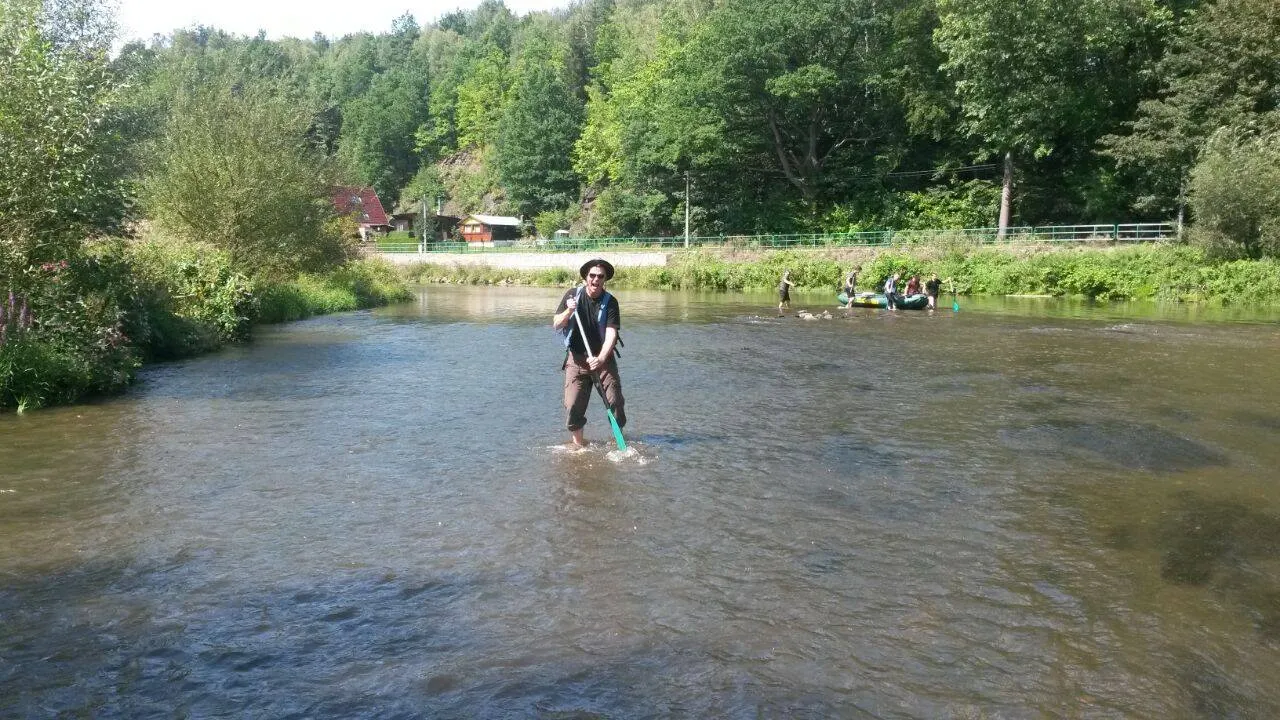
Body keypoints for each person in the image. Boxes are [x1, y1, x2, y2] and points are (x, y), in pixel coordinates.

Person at [552, 259, 626, 448]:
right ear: (586, 277)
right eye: (592, 275)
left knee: (615, 402)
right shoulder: (572, 296)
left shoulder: (610, 302)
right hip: (576, 360)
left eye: (600, 276)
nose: (596, 280)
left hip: (603, 361)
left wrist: (600, 358)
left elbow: (611, 333)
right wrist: (569, 310)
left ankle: (617, 440)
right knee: (572, 406)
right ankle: (578, 446)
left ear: (605, 280)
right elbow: (556, 324)